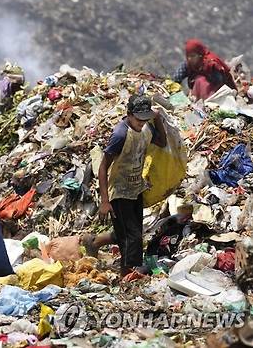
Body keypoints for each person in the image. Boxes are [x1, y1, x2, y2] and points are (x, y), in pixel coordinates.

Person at [97, 95, 167, 277]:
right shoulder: (120, 134)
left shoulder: (146, 128)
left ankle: (94, 241)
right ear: (129, 115)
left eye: (145, 119)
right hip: (119, 191)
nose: (141, 123)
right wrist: (105, 201)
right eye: (138, 119)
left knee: (130, 231)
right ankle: (126, 278)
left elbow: (162, 142)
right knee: (132, 238)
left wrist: (157, 119)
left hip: (136, 188)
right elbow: (103, 167)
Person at [171, 39, 237, 100]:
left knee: (200, 80)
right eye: (188, 56)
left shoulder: (211, 64)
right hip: (198, 96)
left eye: (193, 56)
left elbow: (219, 81)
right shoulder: (188, 64)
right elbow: (176, 78)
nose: (190, 59)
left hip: (220, 94)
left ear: (200, 55)